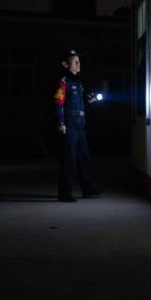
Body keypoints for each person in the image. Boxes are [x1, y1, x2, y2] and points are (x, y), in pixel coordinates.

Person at [54, 49, 103, 202]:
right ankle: (64, 193)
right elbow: (59, 103)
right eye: (74, 61)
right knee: (69, 160)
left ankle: (88, 189)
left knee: (85, 158)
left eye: (79, 61)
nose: (78, 64)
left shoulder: (79, 82)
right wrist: (61, 122)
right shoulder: (63, 82)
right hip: (70, 125)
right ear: (65, 64)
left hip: (80, 124)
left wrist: (91, 99)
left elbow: (82, 100)